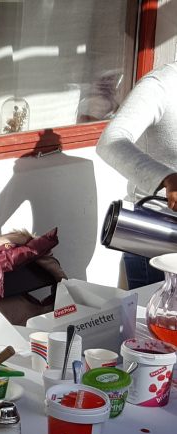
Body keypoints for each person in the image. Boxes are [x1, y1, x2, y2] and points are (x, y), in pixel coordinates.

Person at [97, 62, 177, 289]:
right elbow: (111, 141)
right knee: (151, 311)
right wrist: (167, 177)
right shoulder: (161, 85)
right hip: (155, 238)